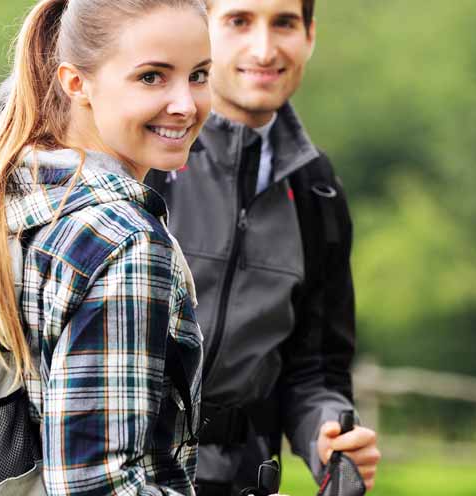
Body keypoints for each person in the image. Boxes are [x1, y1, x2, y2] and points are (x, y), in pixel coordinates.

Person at [0, 0, 209, 493]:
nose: (186, 104)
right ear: (77, 83)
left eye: (199, 75)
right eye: (152, 77)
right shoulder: (124, 242)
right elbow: (101, 484)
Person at [147, 0, 380, 493]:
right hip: (123, 477)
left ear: (310, 34)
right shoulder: (141, 157)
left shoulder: (319, 193)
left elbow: (316, 369)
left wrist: (330, 435)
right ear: (200, 29)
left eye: (284, 23)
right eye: (239, 21)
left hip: (241, 480)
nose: (264, 47)